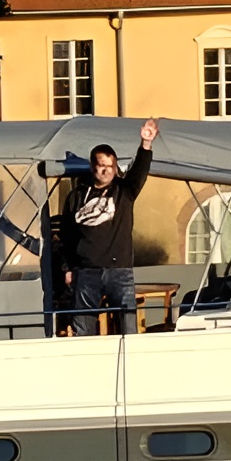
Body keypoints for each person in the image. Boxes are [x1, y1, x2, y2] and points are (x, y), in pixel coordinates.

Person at [59, 118, 160, 336]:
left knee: (128, 328)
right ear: (92, 166)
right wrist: (67, 268)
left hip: (119, 272)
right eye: (101, 165)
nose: (105, 171)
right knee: (83, 330)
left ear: (115, 168)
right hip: (85, 273)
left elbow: (139, 172)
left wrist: (146, 144)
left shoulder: (125, 192)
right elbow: (66, 236)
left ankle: (130, 365)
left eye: (110, 166)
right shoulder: (76, 196)